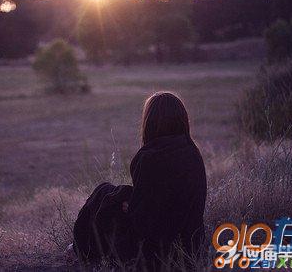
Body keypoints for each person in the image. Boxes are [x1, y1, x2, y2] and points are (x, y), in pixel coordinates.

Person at [73, 91, 207, 270]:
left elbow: (144, 224)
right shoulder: (193, 152)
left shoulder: (149, 157)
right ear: (182, 120)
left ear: (149, 123)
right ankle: (81, 250)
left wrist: (129, 205)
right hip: (191, 249)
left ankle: (82, 252)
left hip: (156, 256)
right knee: (112, 193)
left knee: (104, 195)